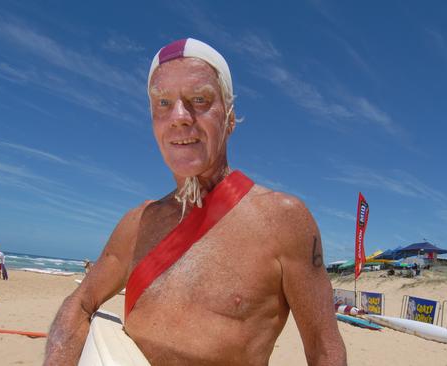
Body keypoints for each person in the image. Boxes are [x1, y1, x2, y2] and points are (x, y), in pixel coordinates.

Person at [45, 38, 346, 365]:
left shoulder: (283, 221)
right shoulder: (137, 223)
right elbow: (81, 303)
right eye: (162, 103)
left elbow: (323, 349)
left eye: (199, 99)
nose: (179, 117)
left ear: (229, 118)